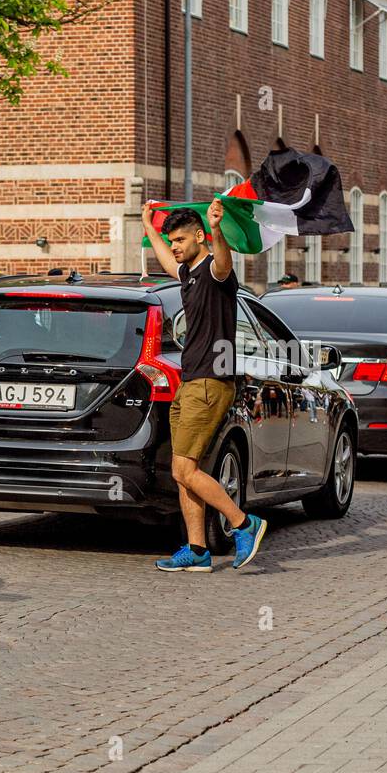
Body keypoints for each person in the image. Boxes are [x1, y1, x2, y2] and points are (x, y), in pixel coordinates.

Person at [141, 199, 267, 572]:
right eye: (173, 241)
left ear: (199, 237)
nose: (176, 246)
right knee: (185, 472)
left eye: (181, 240)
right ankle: (197, 550)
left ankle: (245, 523)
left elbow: (225, 261)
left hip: (212, 381)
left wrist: (216, 228)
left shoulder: (215, 272)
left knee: (184, 471)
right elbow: (166, 261)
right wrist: (150, 227)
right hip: (190, 380)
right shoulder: (188, 274)